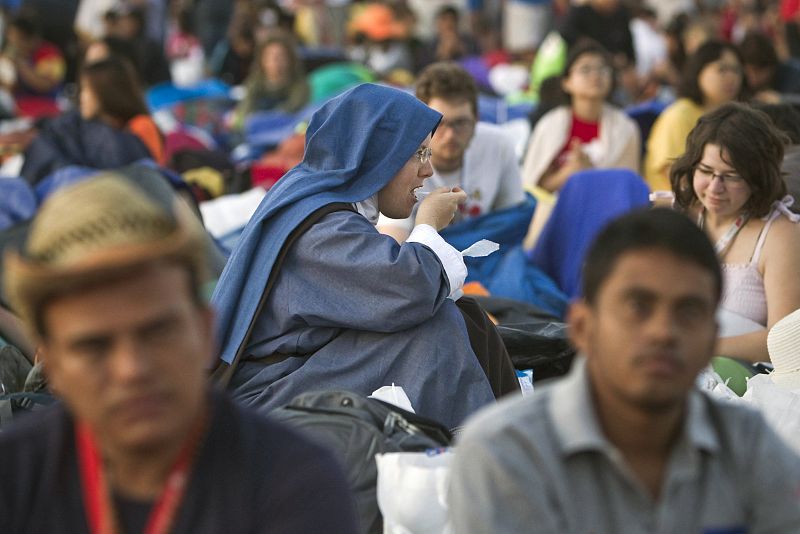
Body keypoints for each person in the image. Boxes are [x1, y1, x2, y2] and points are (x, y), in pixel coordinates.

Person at [0, 172, 359, 533]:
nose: (131, 370)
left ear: (205, 331)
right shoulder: (13, 478)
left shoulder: (292, 481)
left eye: (158, 332)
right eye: (94, 346)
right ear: (51, 363)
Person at [449, 208, 800, 533]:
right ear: (584, 326)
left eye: (689, 310)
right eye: (637, 307)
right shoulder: (506, 455)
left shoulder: (751, 451)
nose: (663, 332)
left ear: (712, 337)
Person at [211, 83, 518, 430]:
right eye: (418, 153)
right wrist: (428, 224)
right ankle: (474, 458)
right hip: (268, 395)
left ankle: (499, 437)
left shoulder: (317, 198)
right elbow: (410, 288)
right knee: (436, 333)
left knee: (464, 317)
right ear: (378, 155)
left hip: (295, 372)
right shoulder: (323, 231)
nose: (427, 170)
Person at [669, 102, 800, 362]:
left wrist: (701, 347)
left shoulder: (781, 234)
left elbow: (786, 341)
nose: (715, 188)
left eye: (732, 176)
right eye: (706, 171)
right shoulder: (676, 215)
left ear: (758, 178)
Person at [378, 62, 525, 242]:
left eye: (461, 123)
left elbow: (511, 223)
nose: (450, 135)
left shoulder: (499, 144)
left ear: (476, 119)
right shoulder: (400, 158)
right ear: (421, 122)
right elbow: (393, 240)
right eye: (440, 124)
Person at [521, 40, 640, 193]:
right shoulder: (550, 124)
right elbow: (533, 187)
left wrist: (589, 173)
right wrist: (569, 172)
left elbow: (625, 189)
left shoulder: (625, 128)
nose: (595, 75)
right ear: (566, 82)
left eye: (602, 69)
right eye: (585, 69)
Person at [644, 40, 745, 191]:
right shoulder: (678, 115)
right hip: (677, 207)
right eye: (722, 70)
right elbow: (676, 177)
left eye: (736, 70)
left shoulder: (735, 116)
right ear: (699, 71)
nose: (731, 77)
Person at [79, 56, 166, 165]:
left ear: (104, 90)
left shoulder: (141, 126)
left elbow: (148, 172)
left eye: (86, 89)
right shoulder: (96, 131)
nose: (81, 97)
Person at [232, 30, 310, 130]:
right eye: (271, 57)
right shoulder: (254, 84)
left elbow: (294, 111)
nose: (276, 62)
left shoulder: (300, 86)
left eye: (281, 56)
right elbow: (245, 112)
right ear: (262, 60)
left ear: (290, 59)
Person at [0, 13, 66, 118]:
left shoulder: (50, 55)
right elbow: (10, 86)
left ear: (32, 39)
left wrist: (20, 64)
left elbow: (45, 85)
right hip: (17, 105)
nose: (12, 44)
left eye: (16, 39)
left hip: (44, 109)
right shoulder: (12, 54)